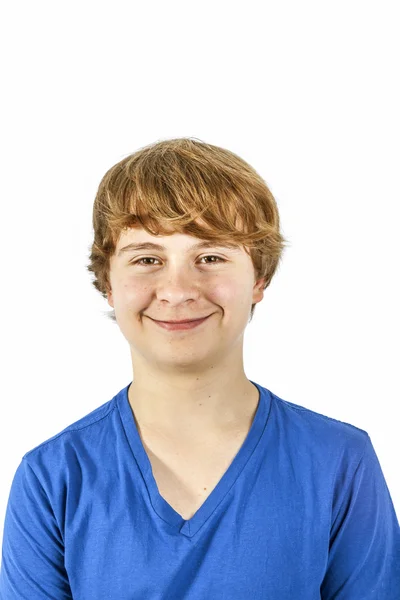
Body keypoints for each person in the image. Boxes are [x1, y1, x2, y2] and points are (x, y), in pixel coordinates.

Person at [0, 137, 399, 599]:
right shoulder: (54, 477)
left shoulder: (340, 462)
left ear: (260, 277)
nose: (177, 290)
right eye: (147, 259)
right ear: (108, 282)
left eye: (210, 257)